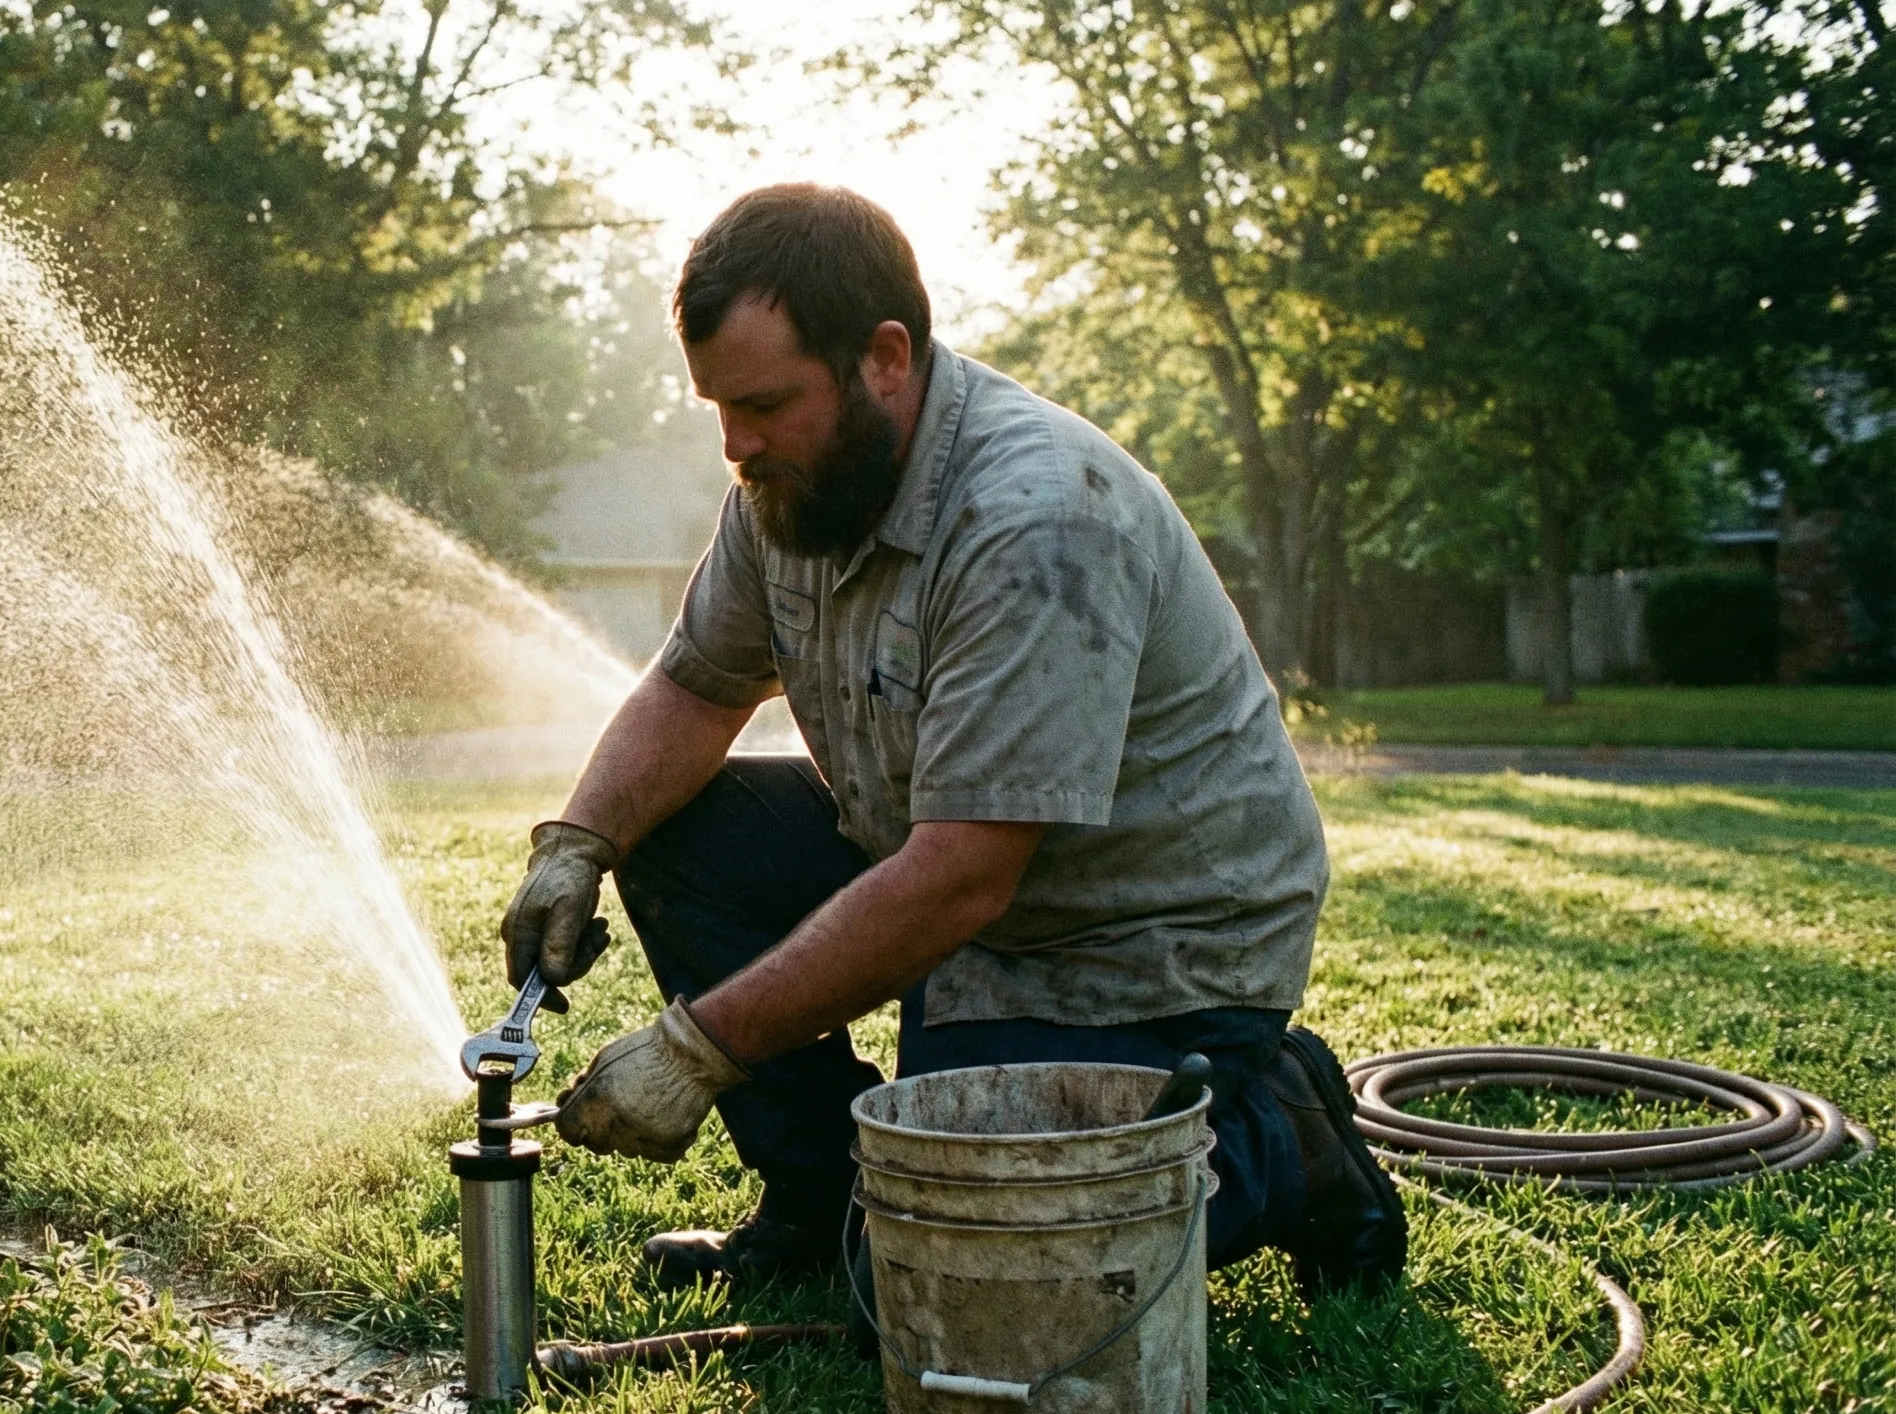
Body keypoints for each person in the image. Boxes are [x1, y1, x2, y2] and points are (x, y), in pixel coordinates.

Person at [501, 184, 1405, 1296]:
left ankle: (1279, 1135)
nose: (736, 443)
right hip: (952, 883)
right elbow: (696, 686)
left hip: (1142, 941)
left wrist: (699, 1047)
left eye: (767, 402)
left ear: (885, 357)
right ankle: (821, 1201)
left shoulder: (1035, 520)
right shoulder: (789, 487)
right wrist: (579, 842)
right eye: (716, 409)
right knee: (676, 834)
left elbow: (962, 878)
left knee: (976, 1258)